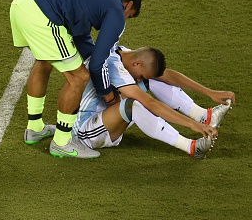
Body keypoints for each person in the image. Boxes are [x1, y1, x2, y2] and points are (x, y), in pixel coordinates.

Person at [10, 0, 142, 158]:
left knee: (44, 61)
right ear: (128, 4)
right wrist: (109, 96)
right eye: (130, 15)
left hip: (21, 2)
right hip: (43, 14)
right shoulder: (115, 9)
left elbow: (81, 37)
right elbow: (97, 63)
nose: (125, 19)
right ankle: (62, 142)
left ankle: (35, 128)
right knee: (79, 78)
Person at [72, 45, 234, 158]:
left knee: (153, 81)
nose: (139, 79)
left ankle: (204, 116)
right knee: (132, 105)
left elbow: (167, 75)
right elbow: (151, 104)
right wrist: (192, 125)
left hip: (107, 115)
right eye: (140, 75)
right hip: (85, 132)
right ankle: (190, 147)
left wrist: (209, 92)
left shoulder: (125, 54)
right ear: (137, 63)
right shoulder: (114, 67)